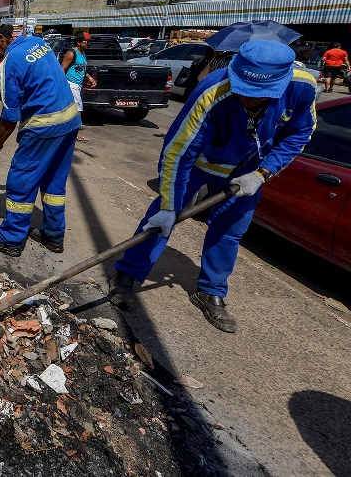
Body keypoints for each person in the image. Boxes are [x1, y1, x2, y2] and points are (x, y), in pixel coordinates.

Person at [108, 40, 317, 333]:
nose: (245, 97)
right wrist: (169, 206)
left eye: (255, 93)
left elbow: (300, 132)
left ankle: (211, 291)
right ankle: (127, 275)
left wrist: (263, 173)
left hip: (247, 171)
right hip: (200, 164)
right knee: (160, 220)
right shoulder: (212, 92)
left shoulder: (302, 87)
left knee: (230, 231)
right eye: (242, 88)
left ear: (279, 85)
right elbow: (178, 154)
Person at [0, 24, 81, 257]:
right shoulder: (36, 42)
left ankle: (11, 239)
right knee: (54, 182)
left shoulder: (9, 63)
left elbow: (10, 116)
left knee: (21, 182)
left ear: (0, 38)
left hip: (43, 126)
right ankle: (53, 236)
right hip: (69, 120)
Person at [60, 32, 91, 142]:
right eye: (86, 42)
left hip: (78, 85)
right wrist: (62, 86)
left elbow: (82, 68)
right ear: (78, 42)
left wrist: (89, 77)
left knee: (72, 109)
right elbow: (62, 69)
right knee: (78, 109)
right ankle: (75, 134)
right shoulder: (71, 53)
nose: (88, 44)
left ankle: (70, 132)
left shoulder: (82, 53)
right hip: (71, 84)